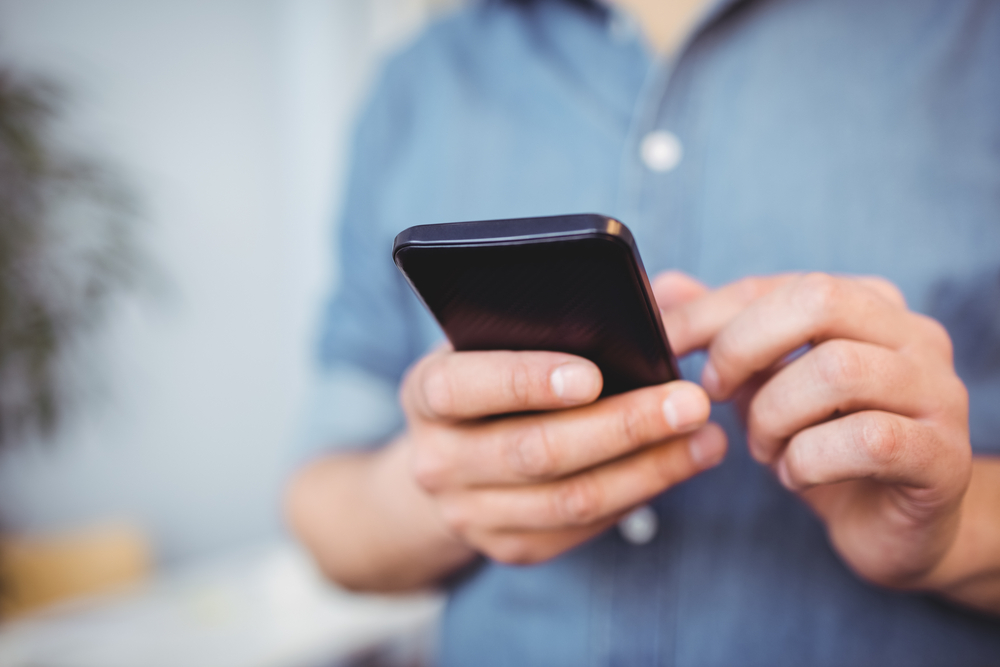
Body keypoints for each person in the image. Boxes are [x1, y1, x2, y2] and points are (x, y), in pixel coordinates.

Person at [286, 0, 1000, 664]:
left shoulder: (977, 41)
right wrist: (437, 490)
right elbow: (322, 517)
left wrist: (957, 530)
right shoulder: (421, 80)